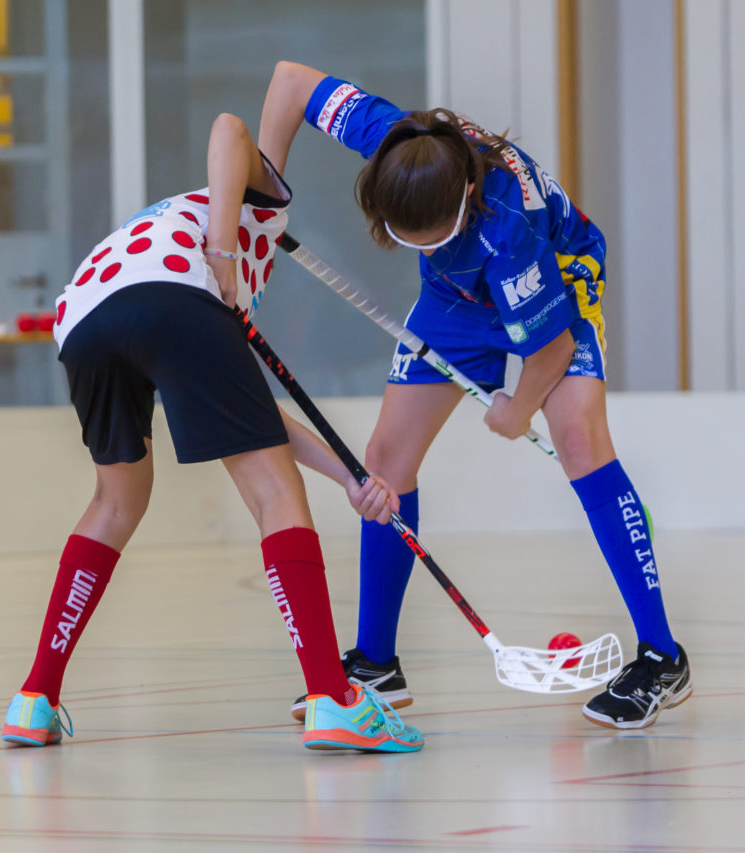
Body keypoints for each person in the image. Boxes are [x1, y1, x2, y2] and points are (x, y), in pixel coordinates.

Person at [260, 62, 692, 730]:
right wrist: (266, 194)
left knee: (578, 438)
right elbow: (290, 82)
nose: (418, 244)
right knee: (385, 458)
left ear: (463, 193)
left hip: (556, 280)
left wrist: (517, 408)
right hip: (455, 297)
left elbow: (546, 349)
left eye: (432, 233)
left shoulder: (505, 228)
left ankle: (662, 655)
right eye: (410, 237)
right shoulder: (393, 137)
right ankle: (376, 660)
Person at [0, 110, 423, 754]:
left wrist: (350, 476)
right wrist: (223, 250)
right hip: (174, 297)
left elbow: (252, 418)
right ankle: (332, 698)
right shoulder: (262, 209)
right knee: (274, 496)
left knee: (117, 502)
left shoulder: (188, 244)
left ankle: (35, 698)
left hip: (85, 318)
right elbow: (228, 128)